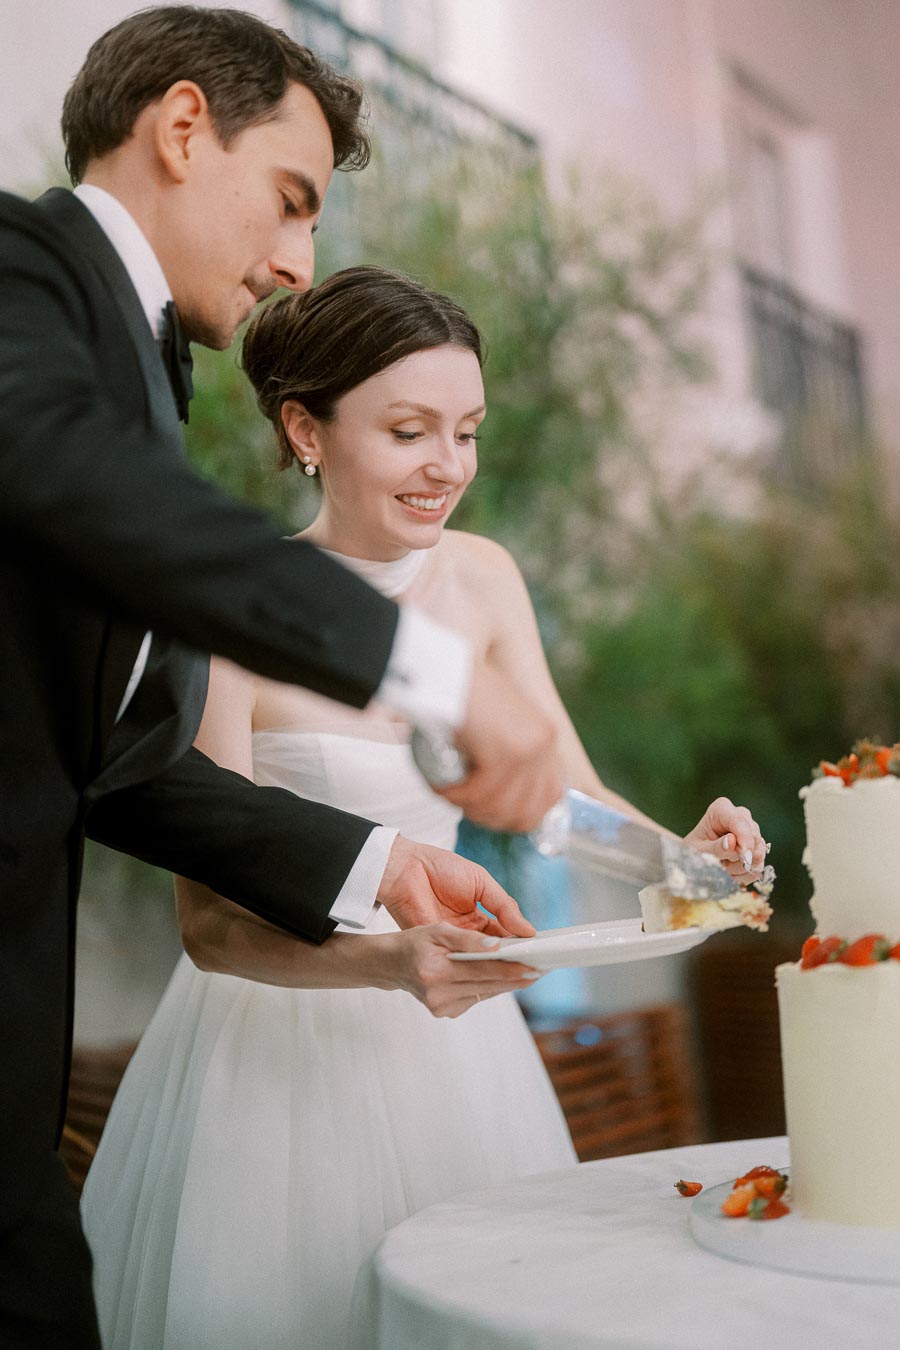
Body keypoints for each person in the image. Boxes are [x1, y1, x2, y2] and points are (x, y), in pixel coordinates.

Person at [0, 10, 565, 1347]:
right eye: (292, 202)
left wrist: (372, 862)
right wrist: (425, 670)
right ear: (183, 129)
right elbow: (77, 480)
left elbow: (130, 765)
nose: (299, 262)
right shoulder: (18, 278)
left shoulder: (141, 369)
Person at [81, 266, 768, 1350]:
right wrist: (395, 964)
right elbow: (209, 930)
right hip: (274, 1070)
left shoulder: (485, 579)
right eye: (409, 431)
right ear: (306, 429)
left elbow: (561, 799)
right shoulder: (225, 609)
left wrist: (688, 863)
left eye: (468, 431)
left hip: (462, 1059)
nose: (448, 467)